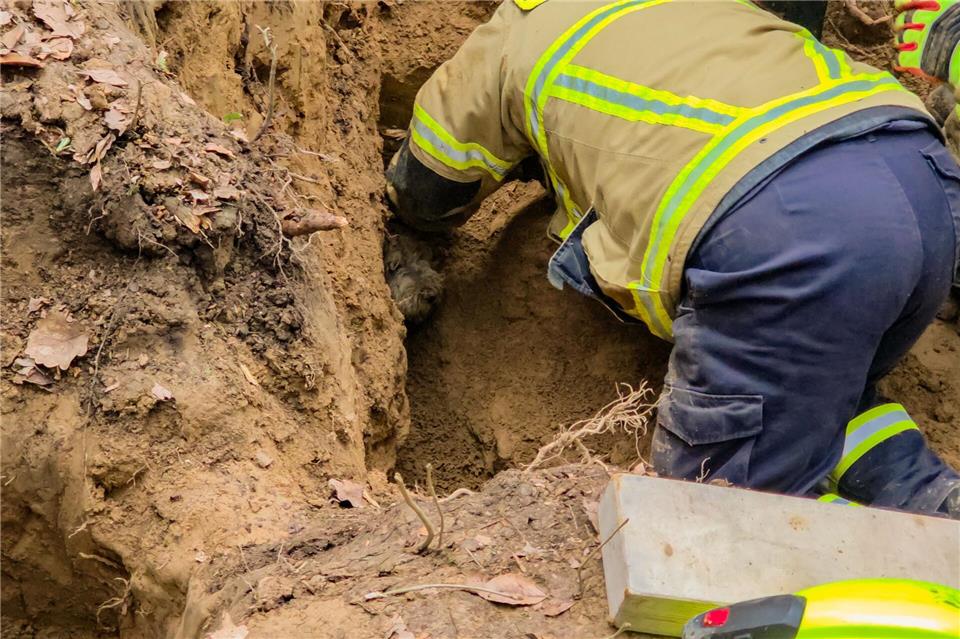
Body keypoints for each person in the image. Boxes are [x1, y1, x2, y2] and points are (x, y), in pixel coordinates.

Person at [384, 0, 960, 517]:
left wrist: (412, 229)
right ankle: (925, 498)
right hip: (921, 174)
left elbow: (433, 173)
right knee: (815, 386)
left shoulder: (515, 34)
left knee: (720, 521)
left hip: (791, 221)